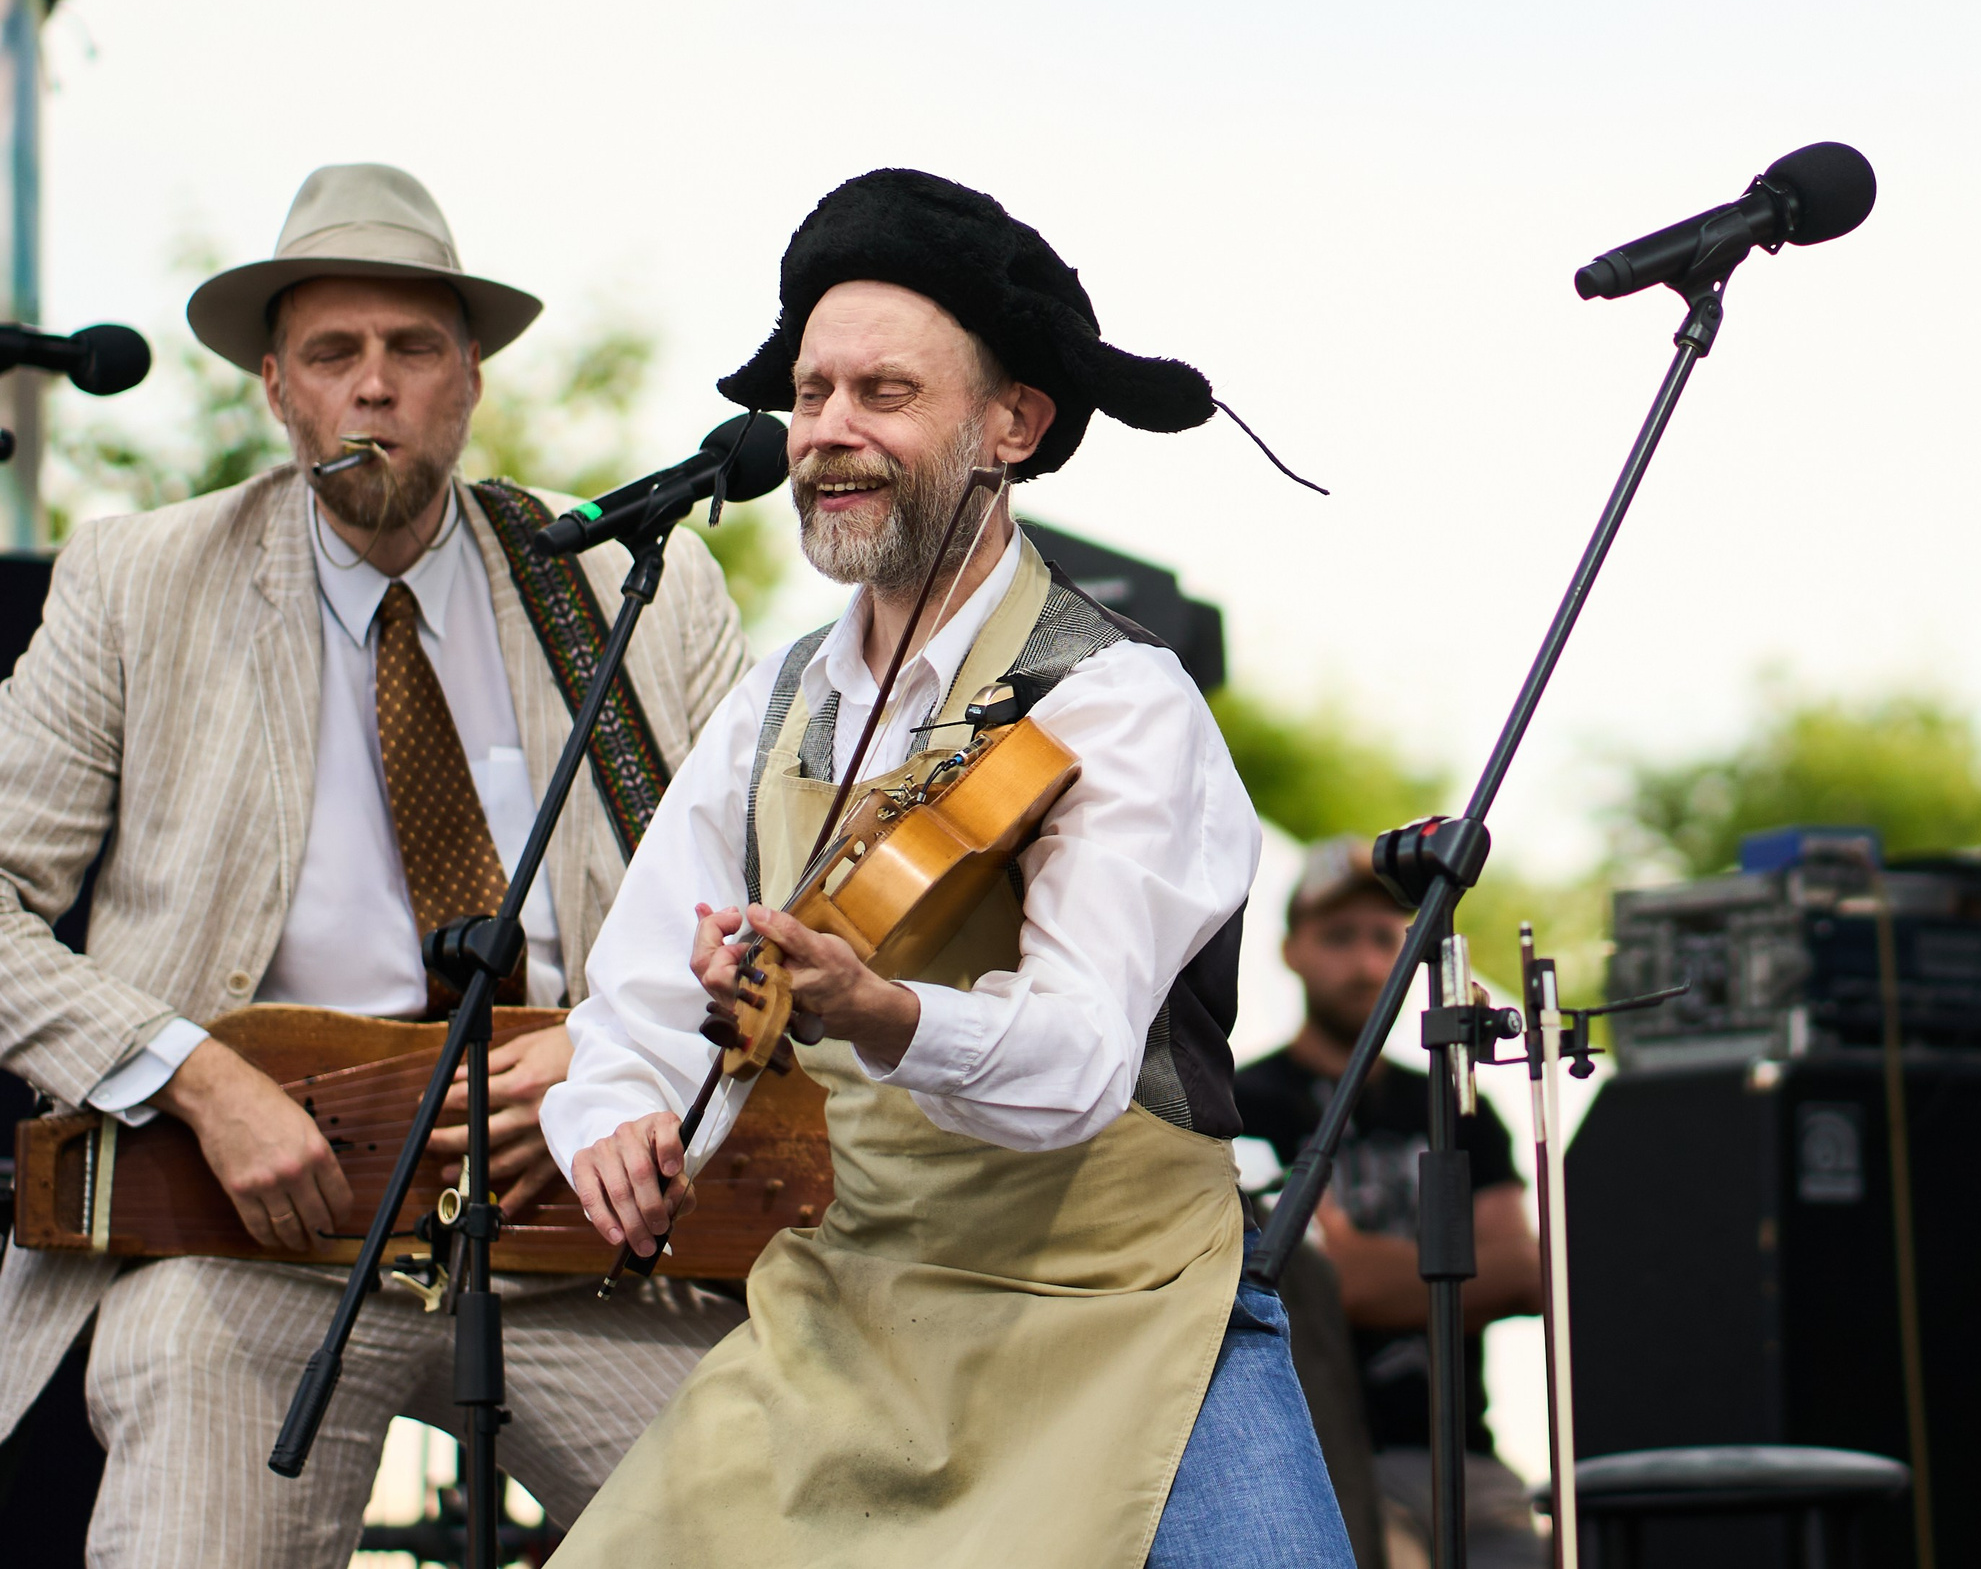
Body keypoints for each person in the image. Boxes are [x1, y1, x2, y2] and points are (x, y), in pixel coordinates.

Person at [539, 168, 1354, 1568]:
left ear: (1011, 425)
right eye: (810, 394)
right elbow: (636, 998)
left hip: (1120, 1304)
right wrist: (620, 1113)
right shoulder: (774, 702)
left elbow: (1081, 1053)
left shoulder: (1119, 700)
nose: (828, 432)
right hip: (856, 1310)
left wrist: (884, 1011)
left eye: (883, 393)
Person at [0, 164, 755, 1566]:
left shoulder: (629, 584)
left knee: (786, 1522)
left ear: (468, 380)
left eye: (413, 349)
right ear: (278, 387)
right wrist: (190, 1073)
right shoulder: (133, 579)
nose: (375, 386)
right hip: (247, 1231)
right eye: (335, 353)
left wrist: (616, 1044)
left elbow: (755, 912)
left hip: (576, 1222)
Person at [1233, 837, 1547, 1569]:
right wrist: (1454, 1273)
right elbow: (1319, 1283)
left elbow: (1529, 1273)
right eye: (1339, 937)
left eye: (1385, 937)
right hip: (1316, 1455)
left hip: (1462, 1455)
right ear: (1291, 950)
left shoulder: (1455, 1097)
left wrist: (1375, 1275)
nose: (1367, 962)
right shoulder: (1243, 1101)